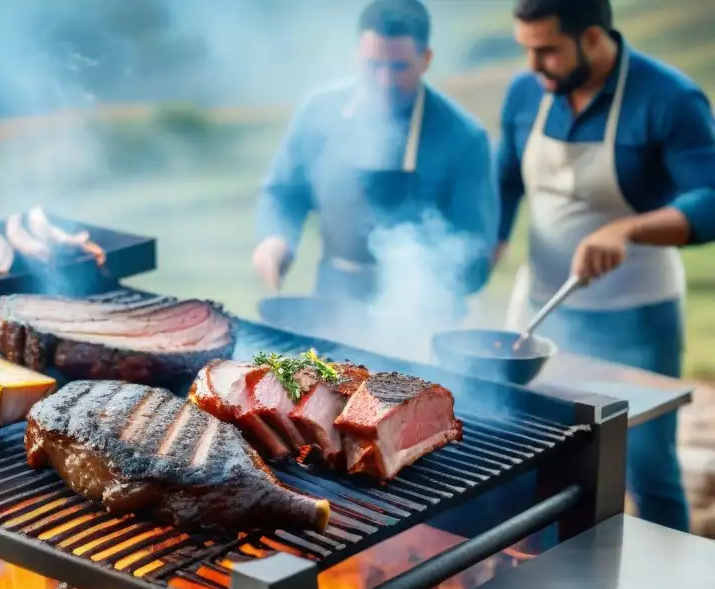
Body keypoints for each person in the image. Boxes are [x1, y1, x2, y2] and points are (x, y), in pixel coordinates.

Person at [495, 0, 715, 535]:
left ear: (593, 37)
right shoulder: (528, 93)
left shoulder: (668, 98)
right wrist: (492, 238)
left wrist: (627, 229)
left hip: (636, 317)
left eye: (546, 50)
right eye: (526, 48)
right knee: (533, 457)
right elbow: (505, 177)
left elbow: (710, 199)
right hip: (541, 312)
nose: (533, 65)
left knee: (648, 469)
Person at [252, 0, 497, 319]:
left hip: (424, 312)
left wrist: (419, 287)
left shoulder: (465, 137)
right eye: (373, 65)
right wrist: (276, 238)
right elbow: (284, 192)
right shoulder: (319, 112)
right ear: (356, 56)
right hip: (333, 299)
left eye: (399, 67)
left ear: (426, 59)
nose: (384, 81)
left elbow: (475, 250)